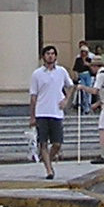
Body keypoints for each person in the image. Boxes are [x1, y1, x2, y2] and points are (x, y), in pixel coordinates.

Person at [29, 44, 72, 180]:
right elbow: (33, 96)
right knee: (43, 142)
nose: (50, 56)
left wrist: (66, 100)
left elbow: (70, 86)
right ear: (43, 57)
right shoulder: (37, 74)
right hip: (42, 112)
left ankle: (48, 159)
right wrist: (32, 116)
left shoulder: (61, 71)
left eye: (53, 54)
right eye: (48, 54)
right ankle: (49, 170)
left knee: (57, 143)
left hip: (56, 112)